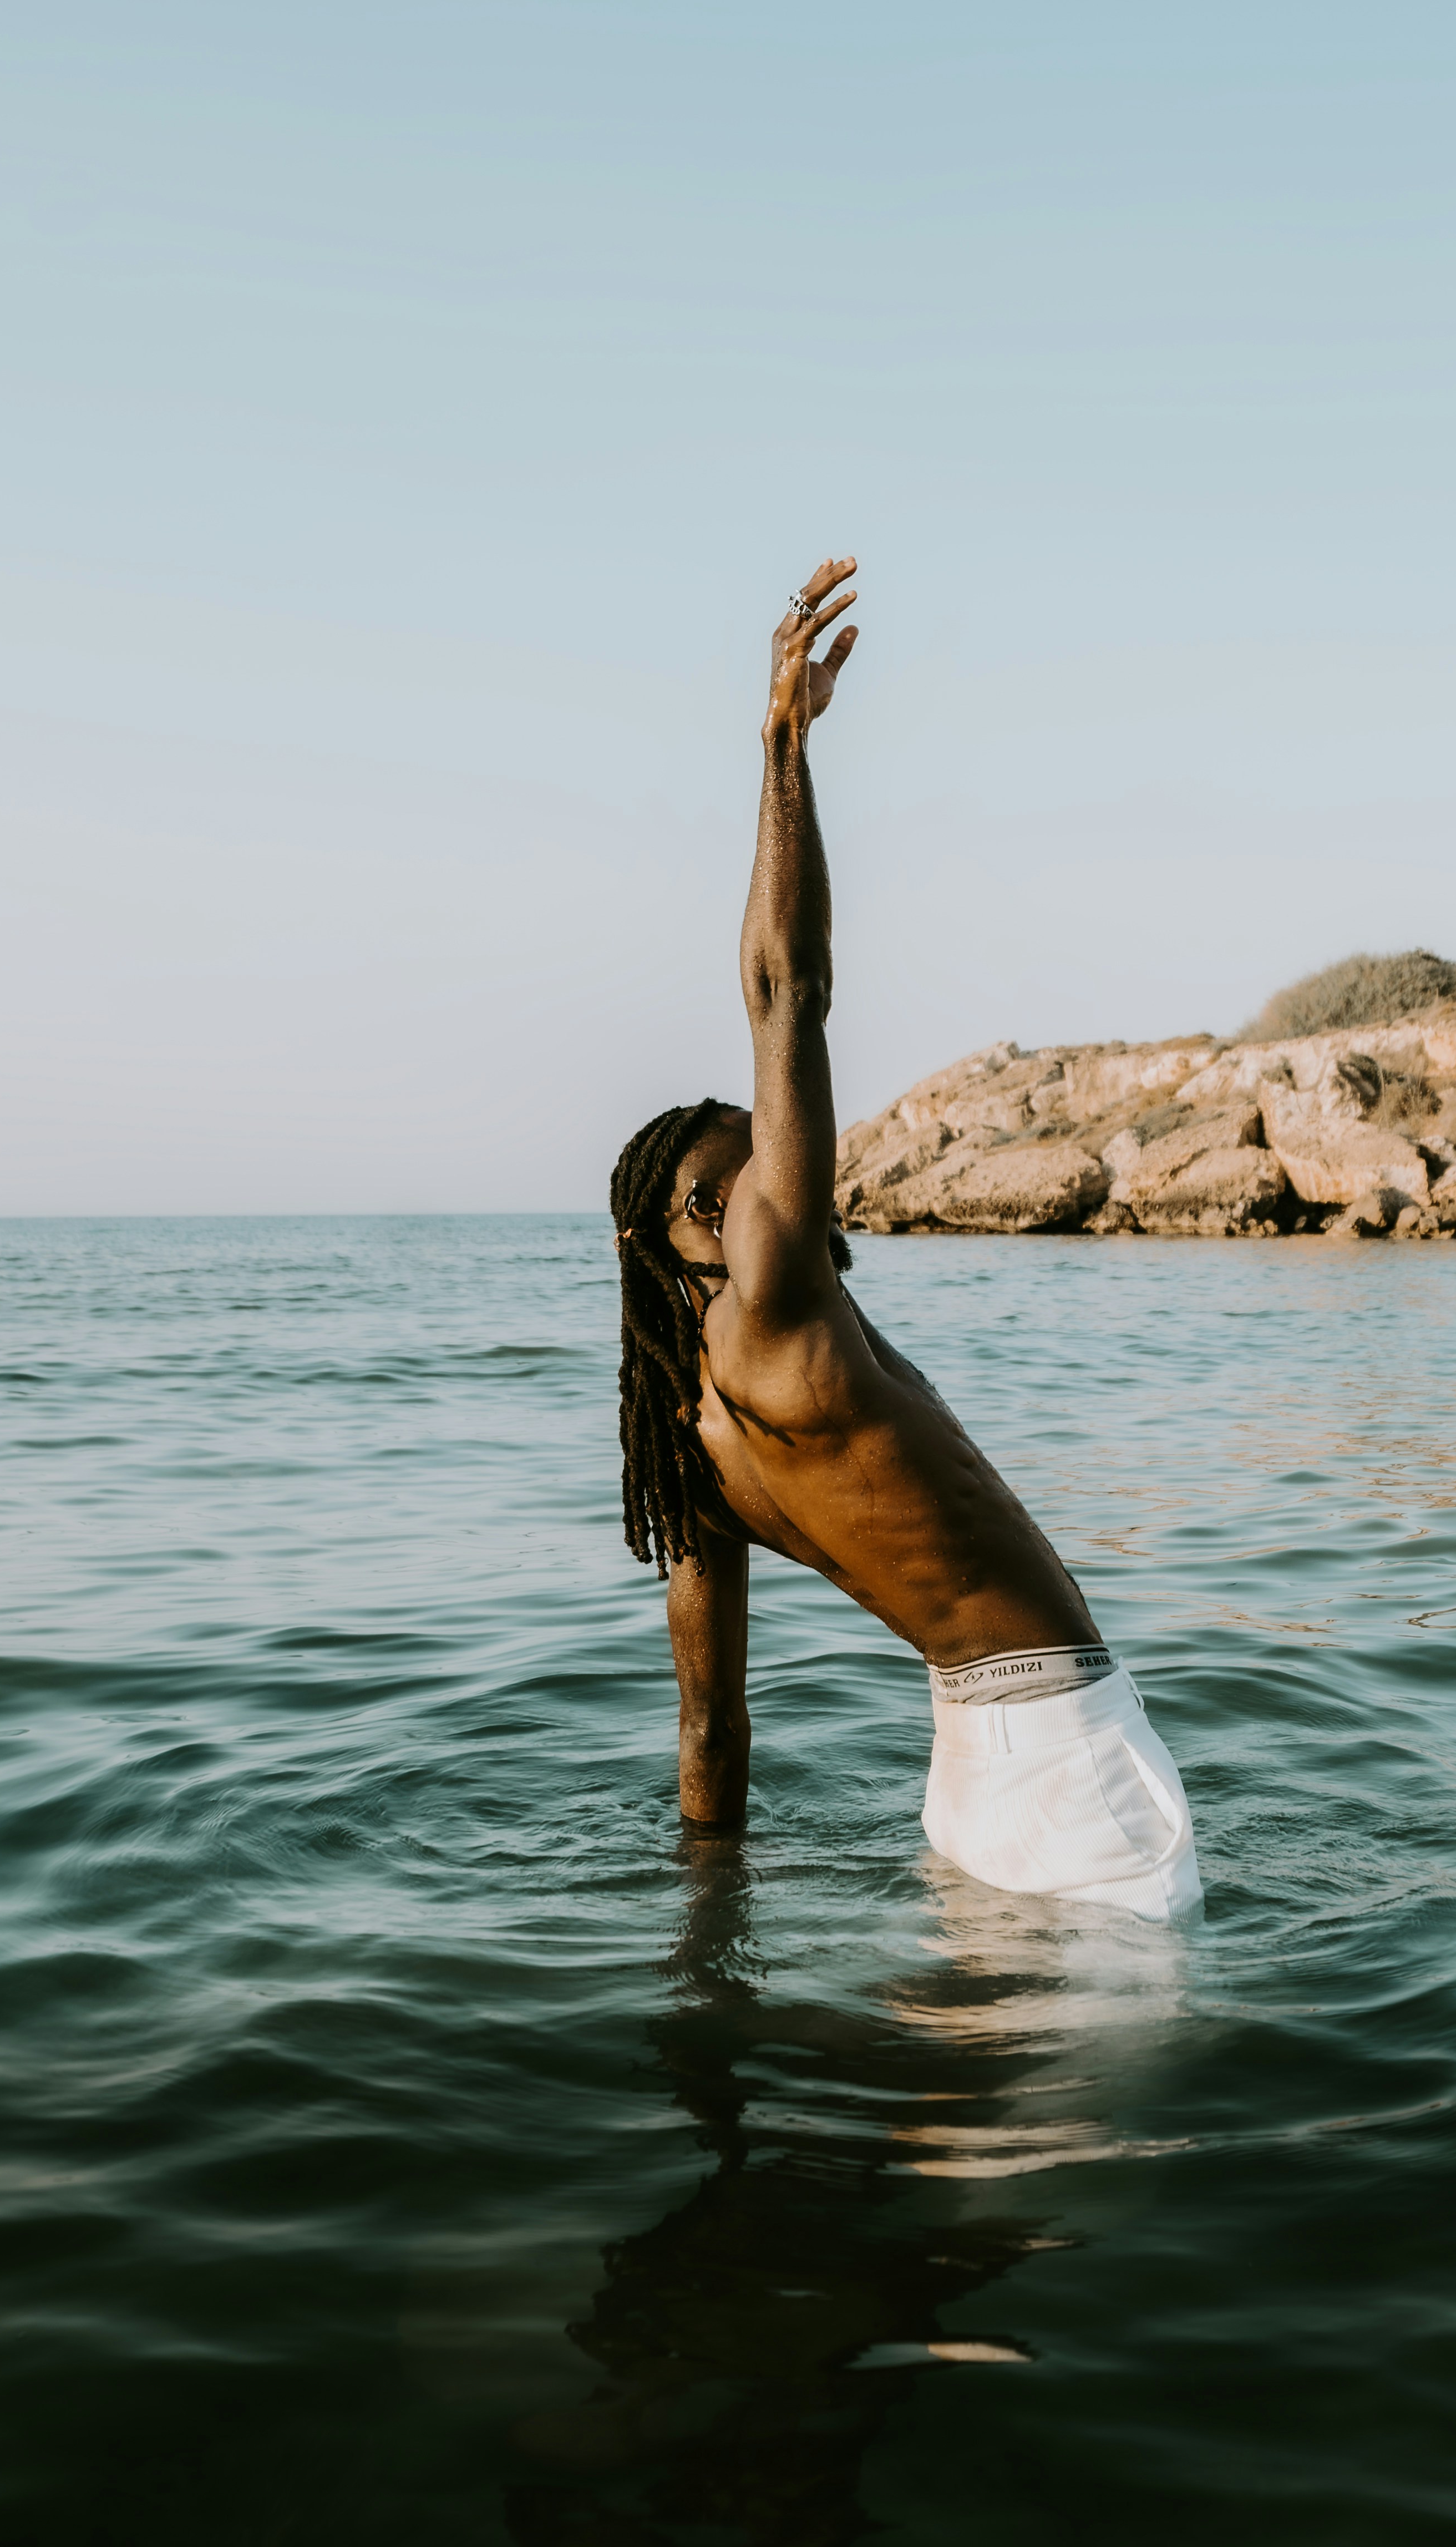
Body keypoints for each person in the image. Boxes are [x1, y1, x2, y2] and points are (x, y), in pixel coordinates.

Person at [607, 560, 1200, 1921]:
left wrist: (707, 1973)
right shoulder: (774, 1310)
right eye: (752, 1164)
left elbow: (711, 1732)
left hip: (970, 1769)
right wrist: (782, 750)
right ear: (702, 1223)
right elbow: (789, 991)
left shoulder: (688, 1439)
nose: (792, 1175)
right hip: (1068, 1767)